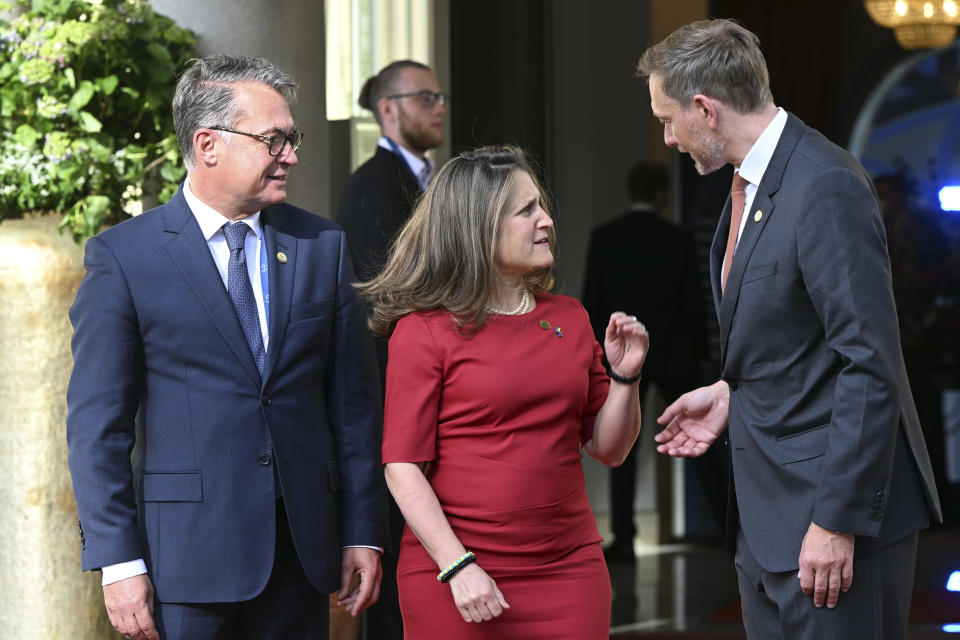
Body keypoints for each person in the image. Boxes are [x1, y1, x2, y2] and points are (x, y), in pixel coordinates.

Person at [637, 19, 942, 640]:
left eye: (669, 120)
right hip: (769, 520)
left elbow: (869, 362)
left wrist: (836, 521)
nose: (667, 139)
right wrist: (731, 397)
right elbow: (797, 339)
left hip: (830, 523)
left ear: (706, 109)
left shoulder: (824, 183)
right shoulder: (748, 182)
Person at [66, 55, 387, 640]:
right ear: (207, 144)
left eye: (293, 139)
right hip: (184, 566)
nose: (290, 155)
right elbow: (98, 428)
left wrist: (361, 530)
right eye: (274, 140)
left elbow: (354, 407)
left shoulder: (322, 246)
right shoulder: (124, 257)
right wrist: (118, 560)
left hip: (303, 556)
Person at [357, 146, 649, 639]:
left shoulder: (570, 317)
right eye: (526, 210)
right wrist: (456, 567)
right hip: (456, 576)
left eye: (542, 205)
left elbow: (610, 449)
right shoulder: (424, 331)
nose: (547, 220)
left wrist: (626, 377)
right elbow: (402, 466)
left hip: (569, 571)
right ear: (479, 227)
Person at [336, 62, 446, 638]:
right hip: (391, 390)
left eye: (439, 95)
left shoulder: (427, 178)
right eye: (424, 96)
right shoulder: (374, 185)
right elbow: (388, 292)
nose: (438, 106)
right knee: (401, 561)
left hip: (421, 387)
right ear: (387, 109)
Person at [582, 160, 708, 561]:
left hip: (621, 358)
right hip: (674, 354)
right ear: (661, 195)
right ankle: (731, 528)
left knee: (623, 450)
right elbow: (693, 301)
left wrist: (598, 359)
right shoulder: (678, 238)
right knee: (701, 438)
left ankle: (623, 538)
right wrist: (702, 352)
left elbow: (592, 301)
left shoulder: (605, 237)